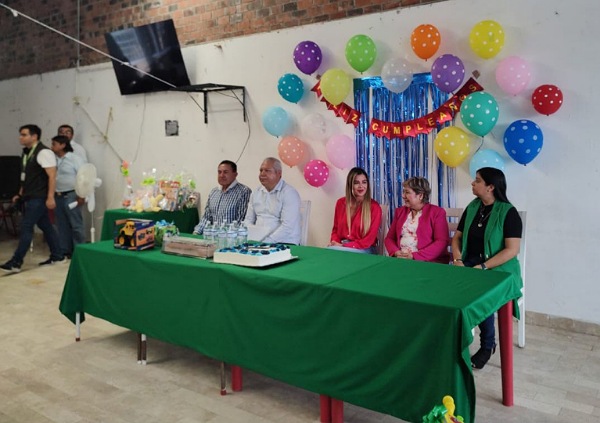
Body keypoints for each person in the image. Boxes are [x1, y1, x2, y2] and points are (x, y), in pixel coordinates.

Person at [451, 167, 522, 370]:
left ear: (490, 187)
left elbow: (512, 250)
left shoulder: (508, 212)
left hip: (499, 268)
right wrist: (457, 259)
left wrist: (482, 267)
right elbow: (456, 238)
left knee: (481, 291)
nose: (472, 183)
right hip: (470, 263)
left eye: (477, 180)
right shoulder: (473, 207)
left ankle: (487, 345)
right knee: (449, 287)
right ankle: (455, 341)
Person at [1, 125, 65, 273]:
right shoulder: (26, 153)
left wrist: (50, 197)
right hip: (29, 195)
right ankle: (58, 256)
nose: (20, 137)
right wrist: (20, 193)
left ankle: (16, 262)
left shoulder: (44, 153)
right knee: (46, 225)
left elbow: (52, 176)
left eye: (24, 135)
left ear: (34, 136)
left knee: (26, 226)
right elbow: (27, 176)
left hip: (39, 197)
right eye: (20, 134)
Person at [384, 177, 449, 262]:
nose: (403, 196)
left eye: (407, 192)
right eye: (403, 192)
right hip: (401, 260)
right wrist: (396, 252)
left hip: (427, 262)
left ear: (420, 195)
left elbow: (441, 242)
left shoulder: (437, 212)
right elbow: (389, 238)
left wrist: (414, 256)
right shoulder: (400, 212)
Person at [244, 157, 301, 244]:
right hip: (258, 241)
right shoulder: (256, 192)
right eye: (261, 170)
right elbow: (248, 220)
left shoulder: (289, 193)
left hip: (284, 242)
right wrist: (250, 237)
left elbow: (287, 227)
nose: (262, 174)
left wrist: (266, 242)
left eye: (267, 171)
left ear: (279, 173)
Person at [328, 167, 382, 254]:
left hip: (365, 248)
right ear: (350, 185)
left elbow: (369, 240)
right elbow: (335, 231)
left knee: (332, 252)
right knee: (328, 251)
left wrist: (343, 246)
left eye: (364, 182)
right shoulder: (340, 203)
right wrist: (335, 243)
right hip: (342, 246)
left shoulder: (374, 207)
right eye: (356, 183)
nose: (361, 186)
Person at [50, 135, 86, 258]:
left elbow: (83, 177)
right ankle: (65, 250)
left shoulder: (75, 158)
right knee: (61, 224)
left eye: (54, 144)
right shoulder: (53, 159)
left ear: (62, 145)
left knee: (75, 224)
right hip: (58, 195)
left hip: (72, 194)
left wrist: (81, 195)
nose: (51, 147)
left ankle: (80, 250)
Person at [193, 160, 251, 234]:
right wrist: (196, 232)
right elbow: (206, 218)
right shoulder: (214, 192)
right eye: (219, 172)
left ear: (235, 174)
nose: (221, 175)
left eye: (225, 172)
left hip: (231, 238)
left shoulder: (244, 192)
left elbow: (241, 222)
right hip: (212, 237)